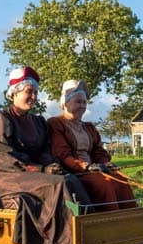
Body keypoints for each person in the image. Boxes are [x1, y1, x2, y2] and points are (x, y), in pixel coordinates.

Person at [0, 67, 91, 244]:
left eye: (35, 92)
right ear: (14, 93)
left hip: (34, 174)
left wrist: (52, 165)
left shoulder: (38, 122)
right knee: (59, 184)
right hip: (7, 176)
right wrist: (41, 169)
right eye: (28, 92)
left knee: (70, 179)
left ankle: (88, 229)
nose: (33, 96)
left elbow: (45, 151)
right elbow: (6, 157)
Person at [47, 79, 136, 212]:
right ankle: (109, 223)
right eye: (78, 102)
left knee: (121, 179)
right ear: (65, 103)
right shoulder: (56, 124)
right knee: (105, 183)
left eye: (84, 102)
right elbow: (62, 154)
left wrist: (105, 164)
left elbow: (99, 152)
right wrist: (85, 166)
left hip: (94, 170)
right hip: (74, 174)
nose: (82, 106)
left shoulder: (89, 127)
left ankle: (132, 221)